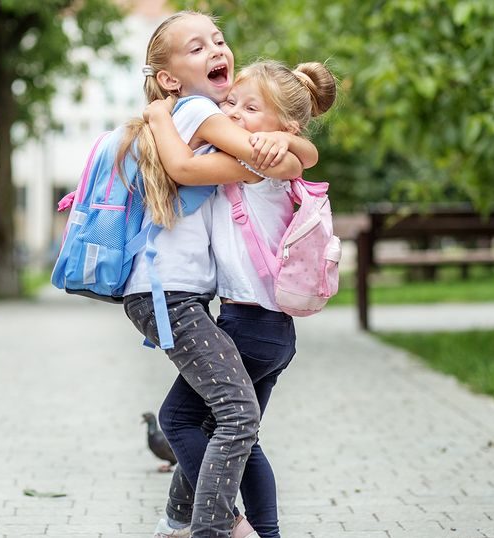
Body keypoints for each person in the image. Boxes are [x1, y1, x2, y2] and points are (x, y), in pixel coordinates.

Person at [118, 11, 318, 538]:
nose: (231, 111)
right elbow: (293, 157)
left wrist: (292, 144)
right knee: (227, 427)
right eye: (198, 46)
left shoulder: (207, 124)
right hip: (231, 314)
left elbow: (287, 156)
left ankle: (210, 526)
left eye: (220, 40)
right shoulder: (201, 115)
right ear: (167, 76)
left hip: (236, 315)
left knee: (206, 422)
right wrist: (293, 144)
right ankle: (226, 526)